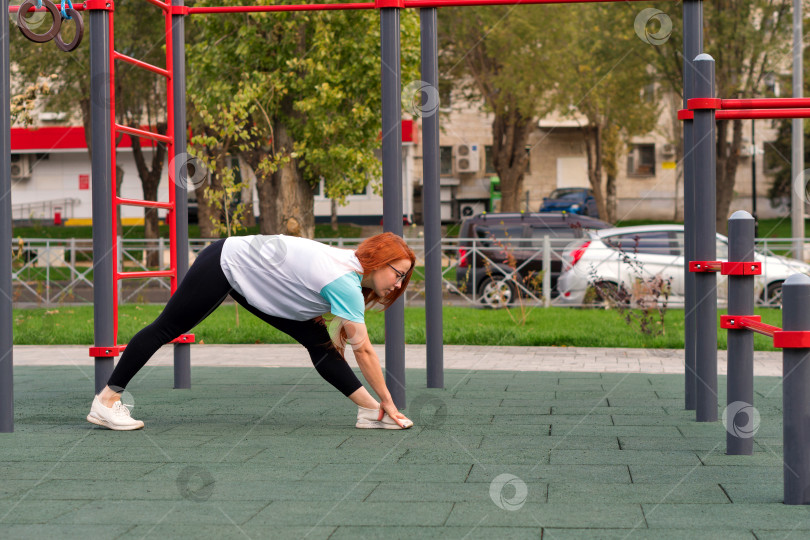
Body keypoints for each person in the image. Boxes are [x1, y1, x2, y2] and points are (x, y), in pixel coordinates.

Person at [86, 232, 416, 431]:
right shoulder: (344, 281)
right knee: (166, 328)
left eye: (403, 278)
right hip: (225, 263)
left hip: (252, 276)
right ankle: (107, 399)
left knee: (319, 343)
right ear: (378, 260)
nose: (398, 284)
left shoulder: (349, 271)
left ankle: (370, 411)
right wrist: (391, 402)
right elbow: (365, 351)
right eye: (398, 274)